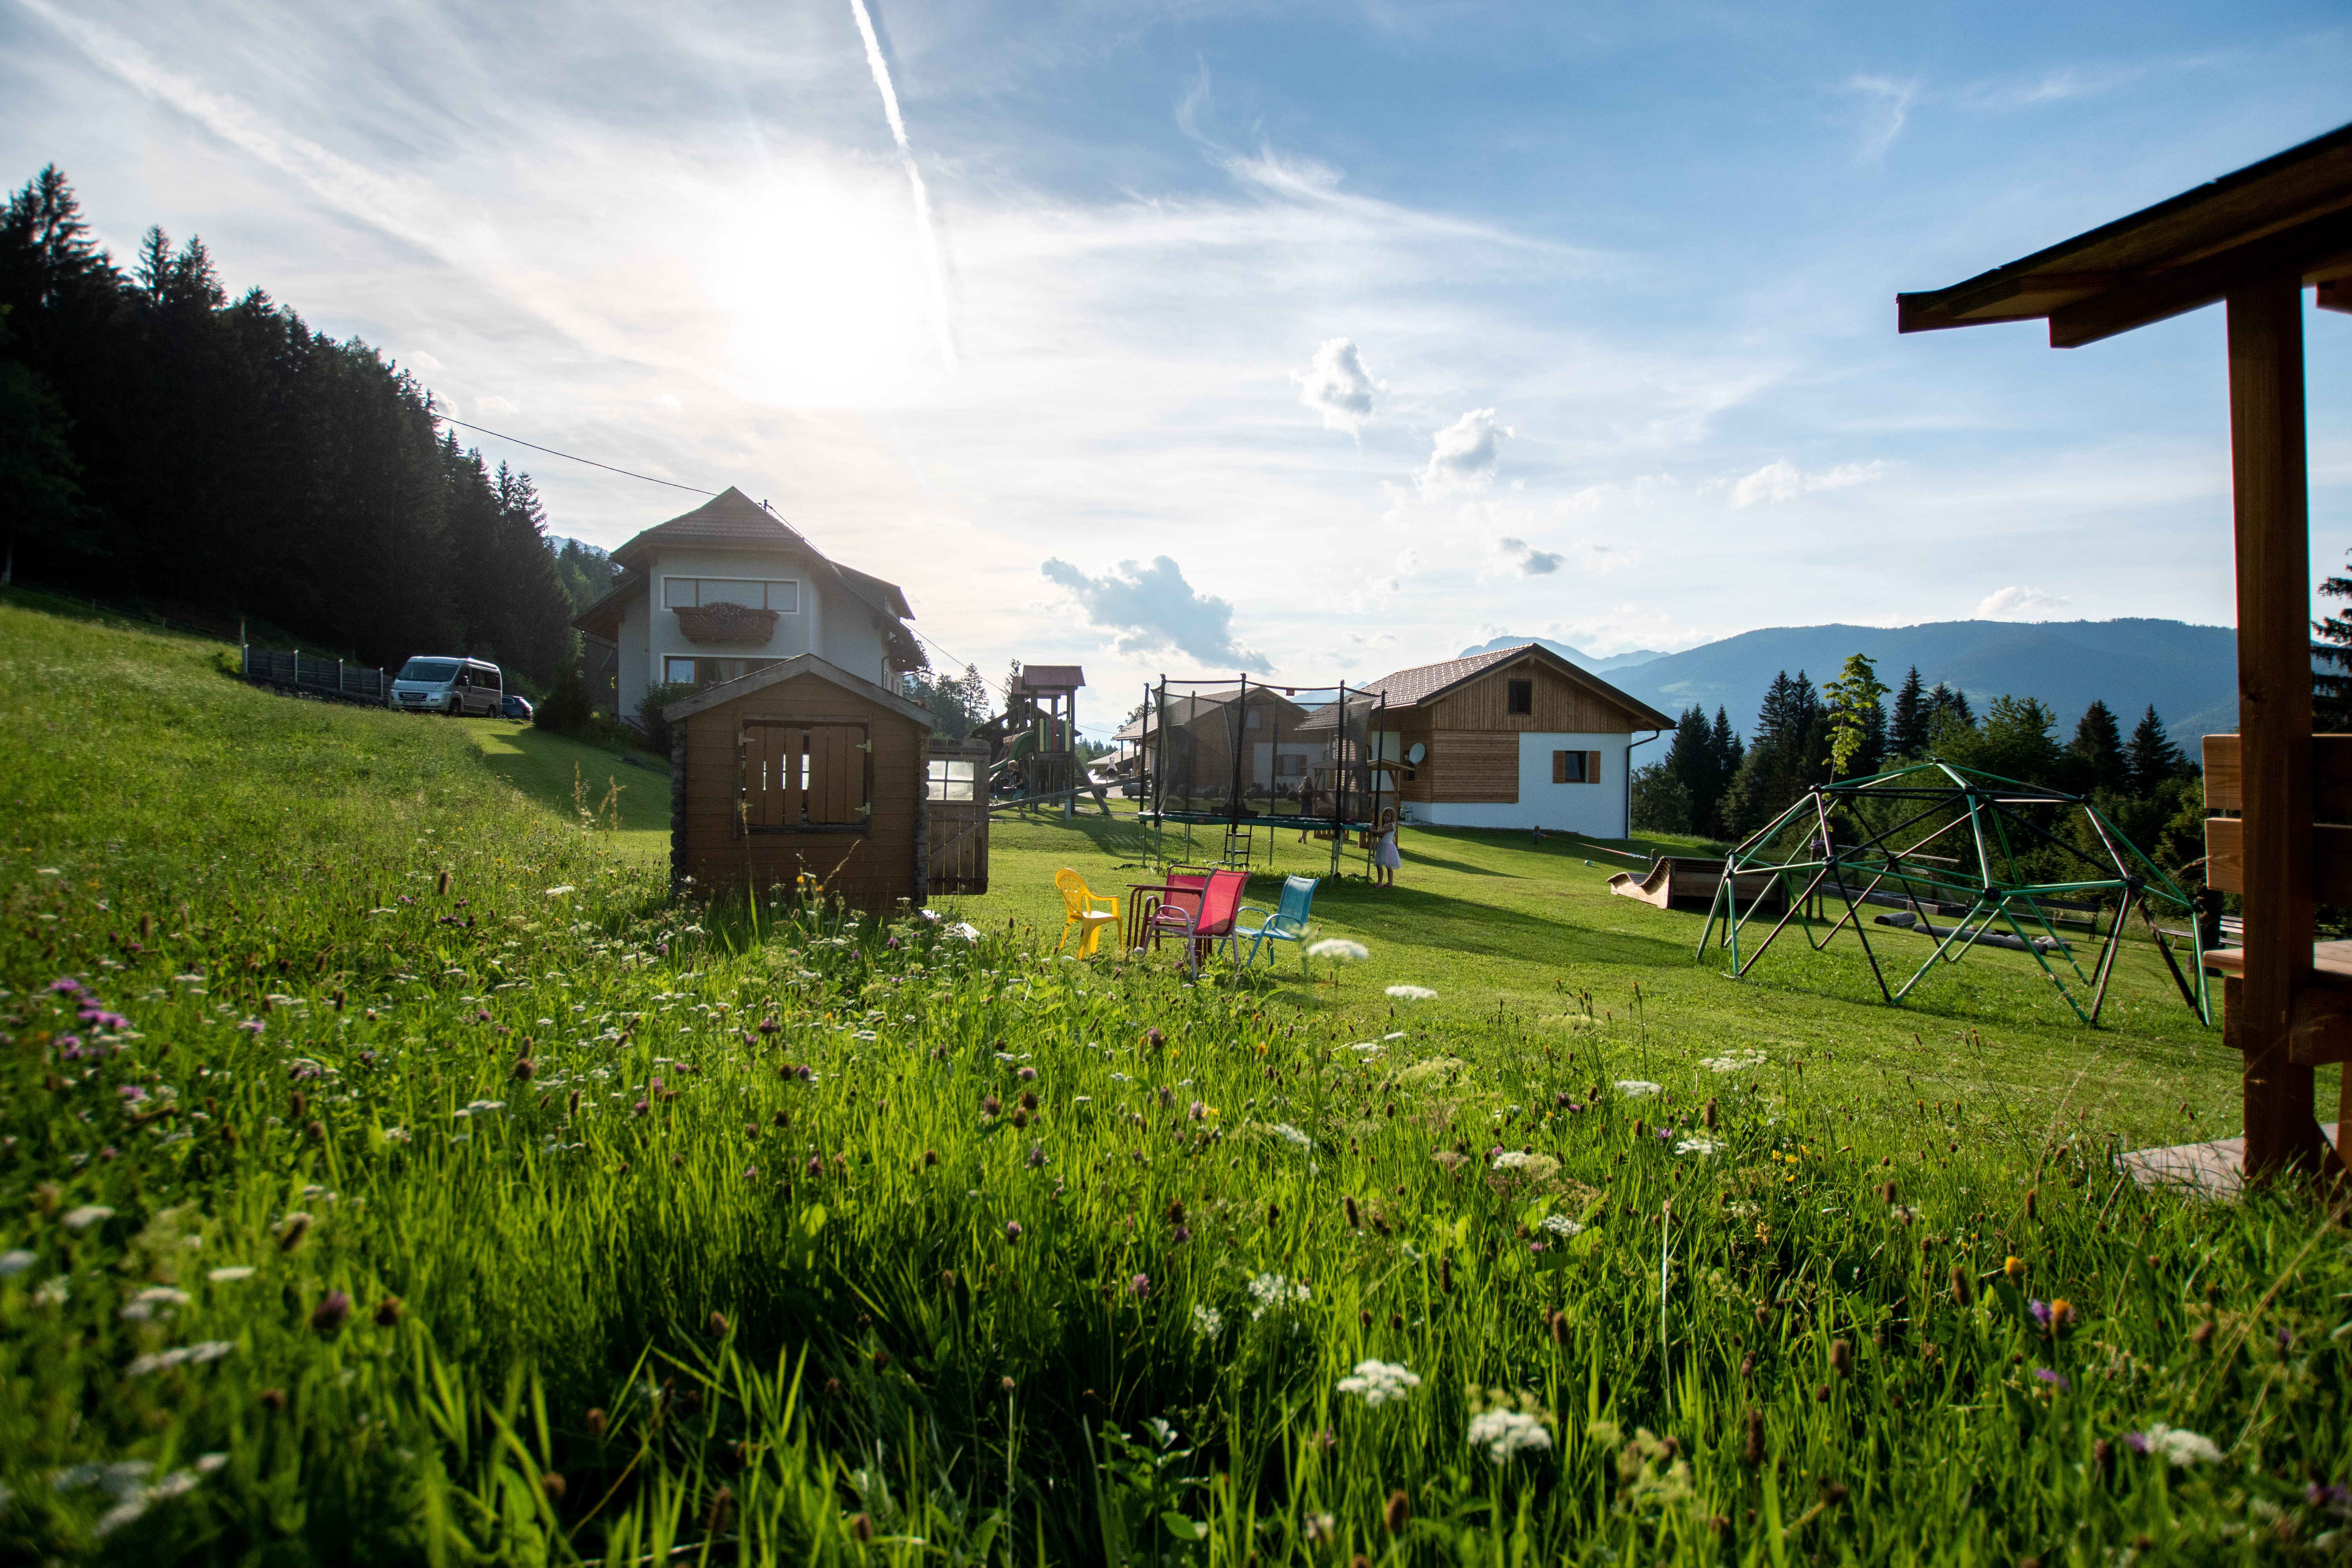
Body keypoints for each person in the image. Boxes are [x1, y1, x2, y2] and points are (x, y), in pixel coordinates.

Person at [1373, 807, 1401, 888]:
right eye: (1385, 816)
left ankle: (1386, 883)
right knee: (1381, 864)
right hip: (1383, 845)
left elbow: (1382, 832)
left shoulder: (1391, 825)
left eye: (1388, 816)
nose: (1386, 817)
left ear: (1392, 817)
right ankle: (1384, 882)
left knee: (1387, 865)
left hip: (1388, 846)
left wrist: (1372, 831)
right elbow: (1382, 835)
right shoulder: (1386, 825)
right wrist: (1376, 831)